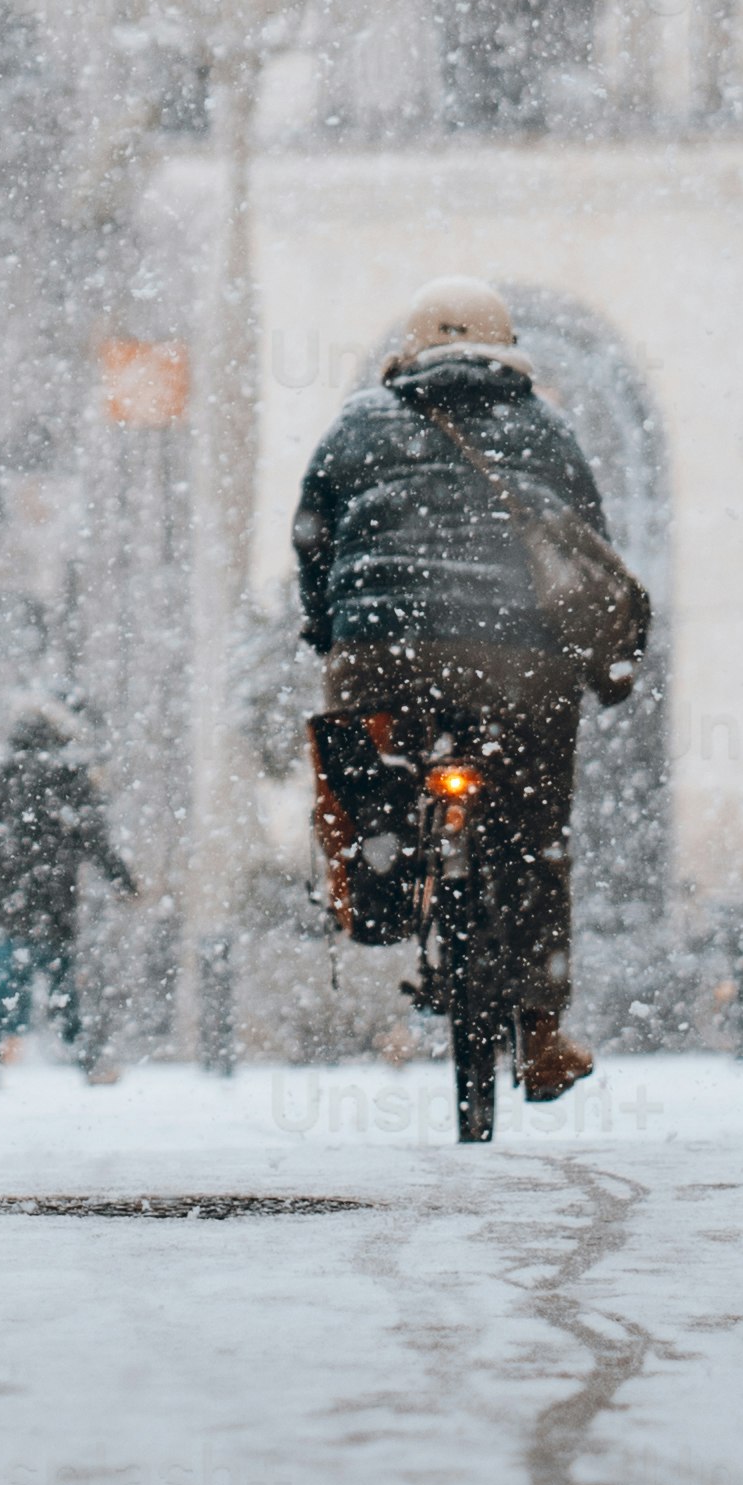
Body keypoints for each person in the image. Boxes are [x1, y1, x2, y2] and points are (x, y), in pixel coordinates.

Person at [293, 280, 617, 1104]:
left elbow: (312, 535)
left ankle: (377, 884)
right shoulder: (546, 428)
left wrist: (329, 626)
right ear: (507, 347)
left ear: (409, 349)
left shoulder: (359, 425)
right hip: (517, 665)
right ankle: (539, 1030)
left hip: (381, 657)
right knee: (537, 829)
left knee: (362, 772)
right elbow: (590, 549)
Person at [0, 708, 135, 1074]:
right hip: (56, 898)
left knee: (5, 984)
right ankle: (88, 1060)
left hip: (12, 901)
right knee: (63, 989)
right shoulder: (67, 776)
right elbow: (93, 837)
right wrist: (122, 880)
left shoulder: (4, 776)